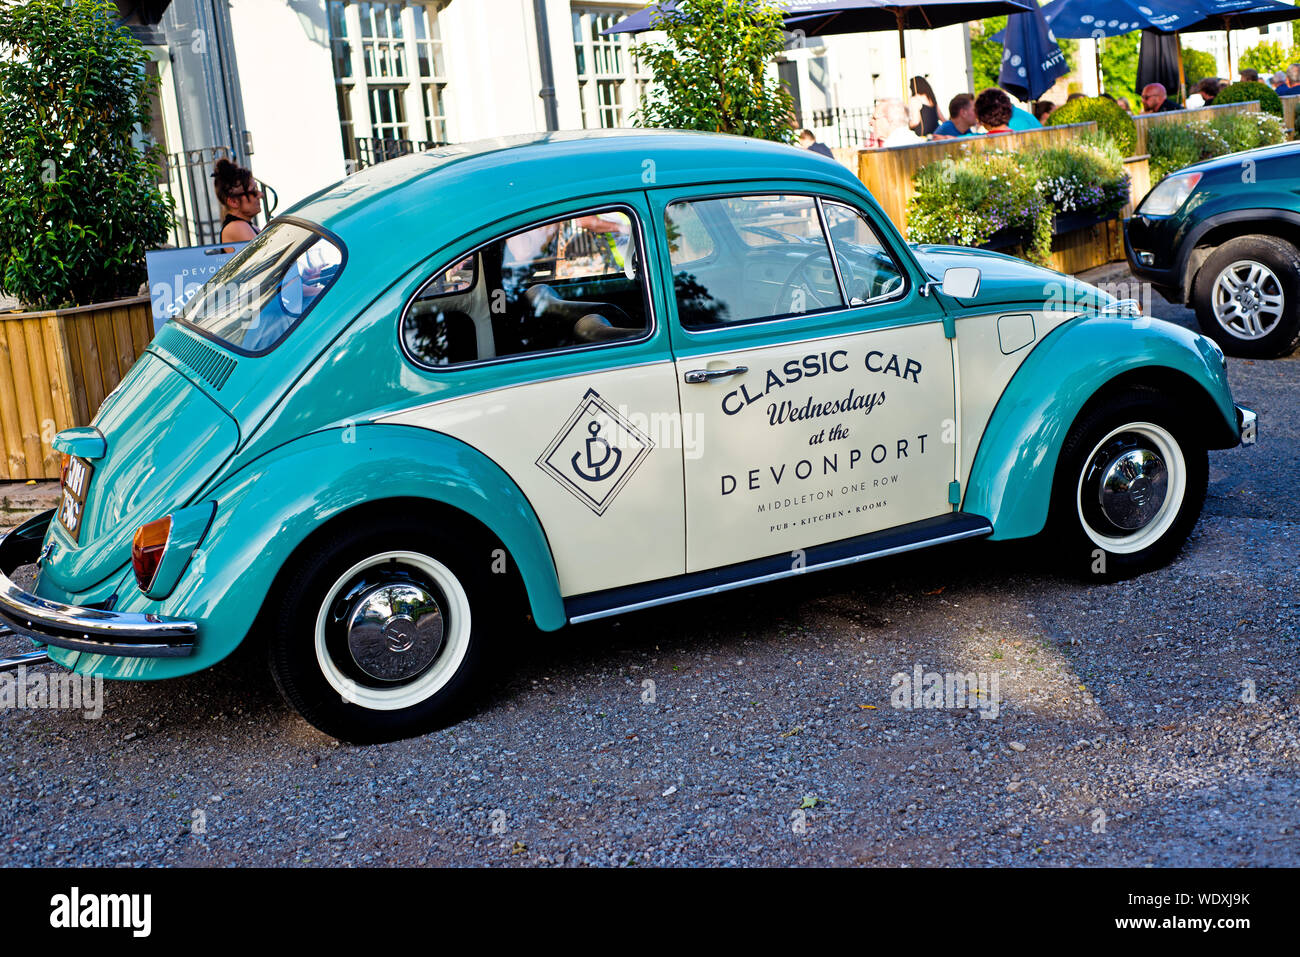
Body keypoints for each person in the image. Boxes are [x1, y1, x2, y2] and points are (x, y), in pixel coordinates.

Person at [212, 158, 263, 243]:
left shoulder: (250, 226)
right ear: (233, 202)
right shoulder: (238, 227)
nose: (260, 194)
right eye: (253, 190)